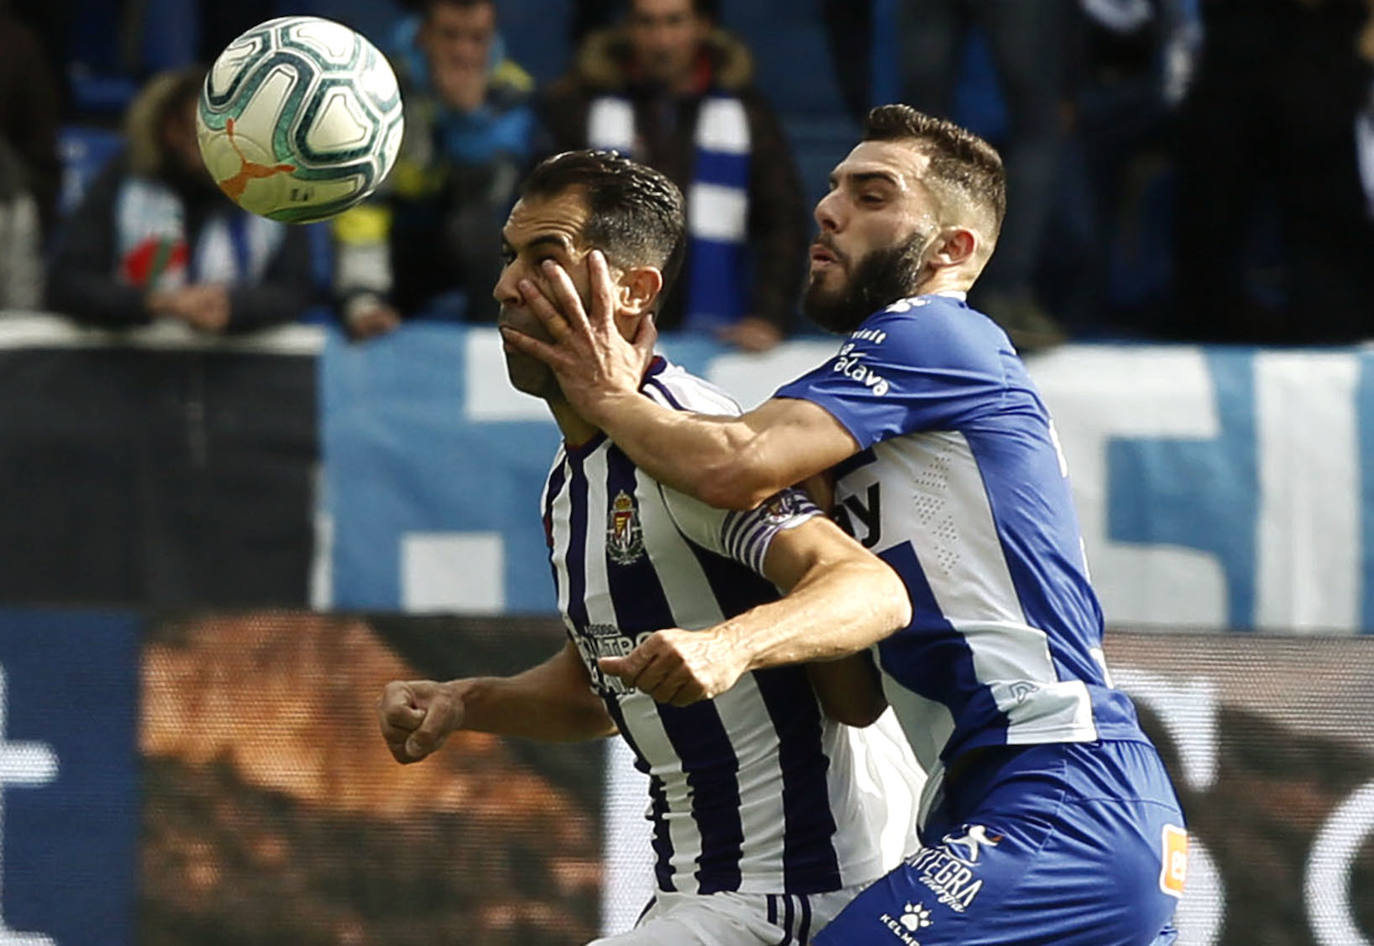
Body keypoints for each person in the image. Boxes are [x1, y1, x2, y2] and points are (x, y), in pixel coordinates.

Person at [502, 106, 1187, 945]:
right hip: (1006, 804)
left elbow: (731, 462)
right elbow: (856, 701)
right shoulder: (871, 419)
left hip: (1060, 792)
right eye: (832, 189)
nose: (830, 209)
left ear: (952, 251)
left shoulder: (936, 333)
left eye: (872, 195)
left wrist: (611, 394)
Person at [377, 149, 923, 945]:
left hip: (806, 894)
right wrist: (468, 702)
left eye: (544, 259)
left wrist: (729, 646)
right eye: (507, 257)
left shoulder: (693, 448)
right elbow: (603, 688)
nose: (504, 288)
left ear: (633, 291)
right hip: (697, 900)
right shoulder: (568, 488)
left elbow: (869, 591)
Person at [539, 0, 807, 352]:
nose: (661, 40)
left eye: (674, 22)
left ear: (703, 26)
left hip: (719, 336)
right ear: (627, 28)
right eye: (647, 23)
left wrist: (769, 316)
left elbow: (783, 220)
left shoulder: (748, 113)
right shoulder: (580, 107)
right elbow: (547, 216)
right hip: (599, 334)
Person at [46, 68, 314, 333]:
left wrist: (235, 307)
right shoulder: (123, 185)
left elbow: (297, 290)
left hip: (237, 371)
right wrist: (156, 303)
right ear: (172, 131)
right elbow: (68, 284)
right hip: (131, 368)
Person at [333, 0, 539, 339]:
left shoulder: (511, 93)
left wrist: (466, 120)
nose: (463, 52)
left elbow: (494, 200)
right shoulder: (380, 91)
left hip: (481, 256)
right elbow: (363, 203)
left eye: (477, 38)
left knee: (479, 230)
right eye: (450, 35)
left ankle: (496, 342)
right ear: (422, 36)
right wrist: (362, 300)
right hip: (400, 248)